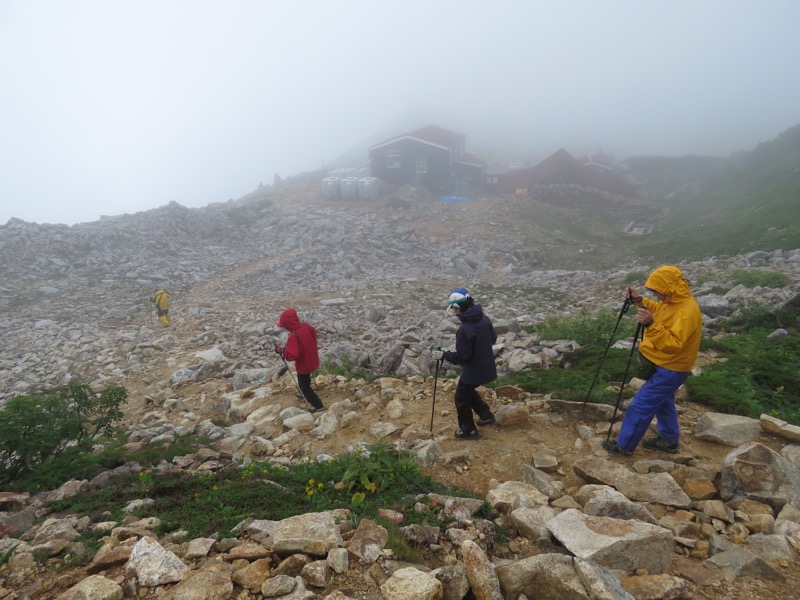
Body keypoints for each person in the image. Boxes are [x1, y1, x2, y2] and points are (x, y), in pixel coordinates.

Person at [602, 265, 702, 456]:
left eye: (657, 291)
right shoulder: (674, 301)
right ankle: (669, 440)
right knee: (664, 403)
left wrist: (649, 324)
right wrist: (640, 301)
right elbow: (659, 310)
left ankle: (624, 446)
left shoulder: (687, 311)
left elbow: (673, 343)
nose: (656, 295)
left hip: (672, 367)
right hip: (668, 364)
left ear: (667, 287)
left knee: (641, 405)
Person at [433, 288, 497, 440]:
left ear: (460, 307)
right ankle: (486, 415)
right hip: (487, 365)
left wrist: (443, 355)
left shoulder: (465, 329)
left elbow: (463, 357)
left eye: (454, 308)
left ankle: (468, 430)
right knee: (467, 391)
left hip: (474, 370)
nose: (454, 311)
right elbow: (493, 339)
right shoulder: (484, 319)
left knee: (461, 397)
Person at [275, 308, 324, 413]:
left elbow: (291, 356)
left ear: (288, 324)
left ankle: (318, 405)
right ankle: (301, 392)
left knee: (304, 385)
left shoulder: (294, 336)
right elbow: (314, 336)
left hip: (303, 364)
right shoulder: (307, 327)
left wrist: (282, 351)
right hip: (312, 359)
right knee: (305, 379)